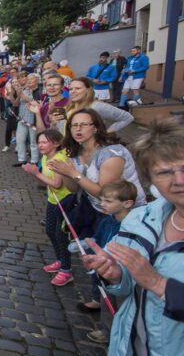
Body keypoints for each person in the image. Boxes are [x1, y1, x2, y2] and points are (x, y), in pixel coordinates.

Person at [83, 118, 184, 356]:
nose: (178, 180)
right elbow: (130, 279)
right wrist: (114, 275)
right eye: (165, 172)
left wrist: (157, 283)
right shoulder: (145, 218)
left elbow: (151, 280)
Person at [48, 109, 146, 242]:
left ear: (95, 128)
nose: (78, 129)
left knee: (111, 257)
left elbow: (105, 193)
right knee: (91, 253)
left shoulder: (111, 153)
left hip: (124, 215)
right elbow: (74, 189)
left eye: (83, 125)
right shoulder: (76, 152)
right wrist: (63, 172)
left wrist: (72, 173)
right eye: (74, 125)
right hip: (95, 210)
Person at [75, 180, 137, 344]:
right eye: (102, 200)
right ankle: (107, 331)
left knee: (123, 304)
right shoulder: (107, 220)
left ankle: (124, 337)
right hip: (105, 269)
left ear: (127, 203)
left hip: (122, 272)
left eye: (108, 201)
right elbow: (99, 238)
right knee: (106, 299)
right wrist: (87, 247)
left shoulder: (133, 225)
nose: (102, 204)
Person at [21, 129, 74, 286]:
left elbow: (57, 184)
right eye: (39, 142)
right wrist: (34, 174)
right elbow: (44, 183)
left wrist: (36, 173)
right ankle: (60, 260)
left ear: (56, 143)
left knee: (61, 235)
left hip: (64, 203)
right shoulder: (45, 158)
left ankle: (66, 269)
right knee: (50, 231)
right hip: (52, 201)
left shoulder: (60, 159)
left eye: (44, 142)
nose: (40, 145)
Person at [65, 77, 133, 133]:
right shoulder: (70, 106)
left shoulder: (96, 106)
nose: (73, 91)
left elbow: (127, 117)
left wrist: (105, 133)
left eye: (77, 88)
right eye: (71, 89)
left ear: (88, 90)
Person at [12, 73, 39, 167]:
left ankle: (34, 160)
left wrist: (21, 94)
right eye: (28, 79)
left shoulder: (38, 90)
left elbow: (33, 102)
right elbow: (16, 104)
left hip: (34, 119)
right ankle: (21, 159)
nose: (29, 81)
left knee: (33, 141)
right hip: (22, 118)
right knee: (20, 139)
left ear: (37, 81)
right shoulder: (24, 89)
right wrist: (15, 94)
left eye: (32, 79)